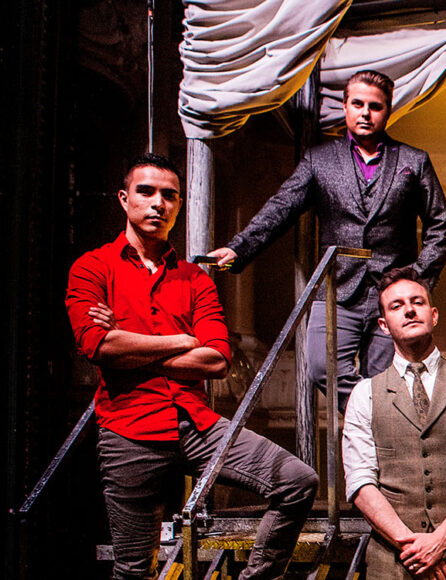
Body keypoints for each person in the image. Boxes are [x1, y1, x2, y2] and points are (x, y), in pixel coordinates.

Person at [65, 153, 319, 579]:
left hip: (196, 424)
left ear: (180, 204)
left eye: (169, 195)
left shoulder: (195, 278)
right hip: (128, 430)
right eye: (146, 192)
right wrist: (182, 341)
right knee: (134, 570)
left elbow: (216, 359)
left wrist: (129, 343)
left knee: (297, 481)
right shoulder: (93, 267)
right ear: (124, 199)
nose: (158, 203)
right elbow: (98, 346)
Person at [209, 70, 446, 415]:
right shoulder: (319, 160)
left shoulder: (413, 161)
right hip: (336, 289)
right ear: (345, 106)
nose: (365, 113)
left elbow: (440, 225)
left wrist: (416, 280)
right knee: (322, 368)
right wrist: (239, 247)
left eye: (375, 106)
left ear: (388, 110)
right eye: (358, 104)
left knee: (387, 379)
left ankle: (378, 436)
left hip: (393, 294)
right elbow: (280, 208)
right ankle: (374, 420)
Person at [342, 267, 446, 579]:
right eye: (396, 306)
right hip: (392, 567)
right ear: (383, 325)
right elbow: (360, 483)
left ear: (434, 315)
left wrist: (440, 540)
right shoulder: (364, 395)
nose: (409, 310)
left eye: (417, 302)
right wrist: (417, 549)